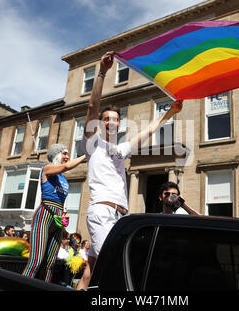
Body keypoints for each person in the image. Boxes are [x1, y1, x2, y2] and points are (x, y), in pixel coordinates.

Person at [77, 51, 183, 290]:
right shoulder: (92, 144)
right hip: (102, 212)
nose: (111, 122)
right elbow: (92, 106)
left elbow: (149, 131)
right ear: (100, 123)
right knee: (114, 263)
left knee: (90, 271)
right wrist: (102, 73)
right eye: (106, 119)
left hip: (118, 216)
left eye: (115, 119)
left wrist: (170, 113)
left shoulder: (120, 149)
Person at [22, 143, 85, 282]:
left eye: (67, 154)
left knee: (50, 264)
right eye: (64, 153)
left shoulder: (65, 180)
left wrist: (64, 218)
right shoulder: (47, 168)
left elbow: (61, 202)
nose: (67, 157)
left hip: (57, 219)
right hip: (44, 214)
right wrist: (86, 156)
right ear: (56, 155)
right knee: (36, 261)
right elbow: (66, 167)